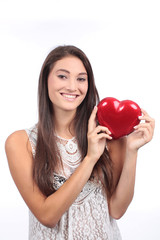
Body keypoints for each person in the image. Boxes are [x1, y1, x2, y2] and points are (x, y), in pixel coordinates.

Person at [5, 45, 155, 240]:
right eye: (62, 76)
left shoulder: (108, 135)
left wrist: (132, 151)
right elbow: (47, 216)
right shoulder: (20, 142)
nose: (72, 87)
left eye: (81, 79)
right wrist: (91, 158)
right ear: (45, 80)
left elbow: (116, 210)